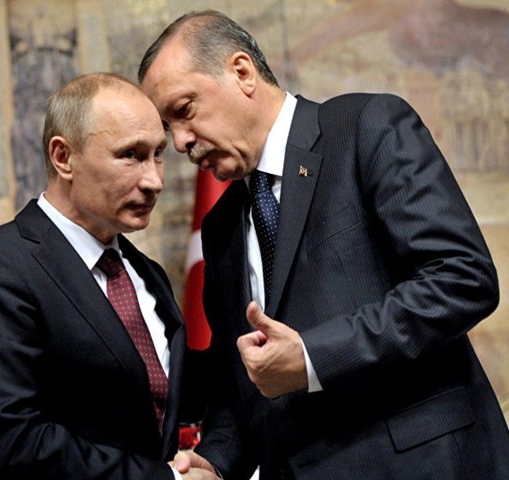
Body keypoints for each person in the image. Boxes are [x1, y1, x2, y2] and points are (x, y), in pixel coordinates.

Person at [138, 10, 509, 480]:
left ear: (242, 73)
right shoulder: (222, 224)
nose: (180, 141)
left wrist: (314, 356)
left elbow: (463, 278)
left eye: (184, 110)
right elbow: (245, 383)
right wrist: (214, 462)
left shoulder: (365, 127)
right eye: (169, 127)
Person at [0, 72, 217, 479]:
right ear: (63, 157)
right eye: (131, 155)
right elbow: (12, 441)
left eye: (157, 153)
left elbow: (156, 399)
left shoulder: (145, 273)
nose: (154, 179)